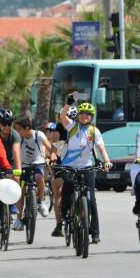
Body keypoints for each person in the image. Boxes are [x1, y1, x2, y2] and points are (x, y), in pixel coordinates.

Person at [59, 98, 112, 244]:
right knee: (68, 187)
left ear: (91, 117)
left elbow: (101, 147)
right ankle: (65, 216)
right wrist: (68, 104)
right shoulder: (72, 126)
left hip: (88, 167)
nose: (85, 116)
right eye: (82, 113)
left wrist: (107, 160)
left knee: (92, 200)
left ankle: (95, 233)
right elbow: (63, 116)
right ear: (78, 115)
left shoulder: (94, 131)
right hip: (70, 166)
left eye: (88, 114)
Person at [13, 118, 52, 230]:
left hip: (37, 163)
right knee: (21, 190)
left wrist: (53, 156)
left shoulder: (38, 135)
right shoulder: (19, 138)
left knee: (39, 177)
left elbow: (49, 146)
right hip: (24, 166)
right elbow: (14, 152)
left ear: (27, 128)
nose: (17, 131)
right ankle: (19, 219)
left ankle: (41, 202)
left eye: (19, 129)